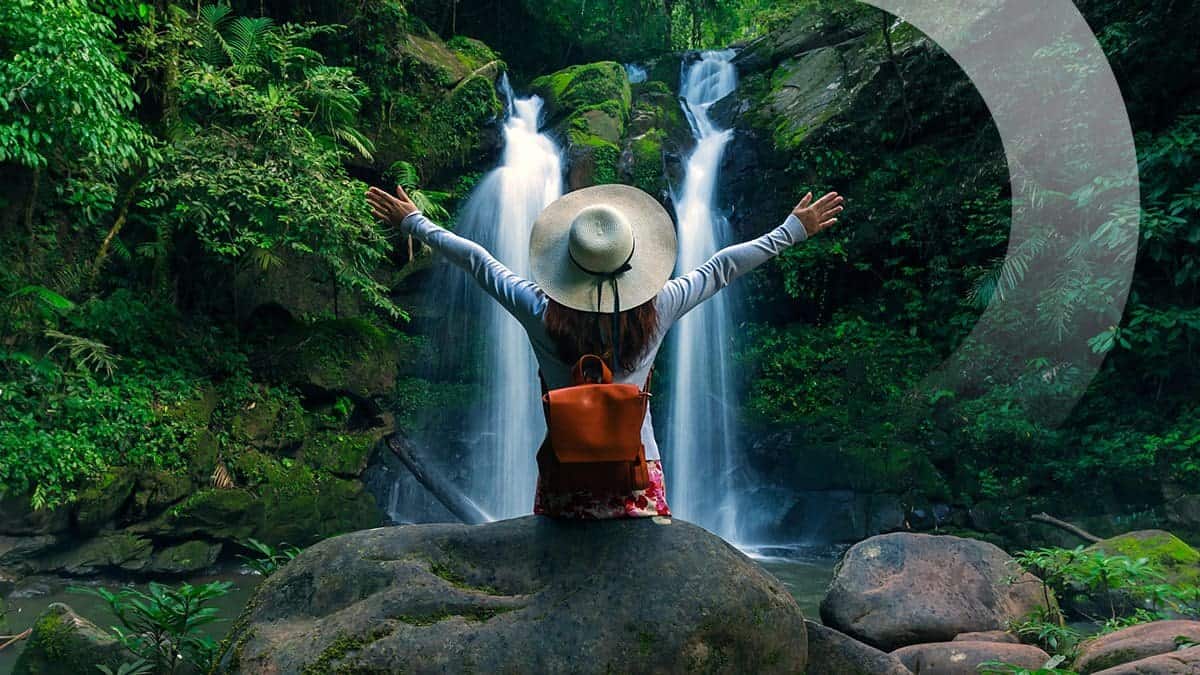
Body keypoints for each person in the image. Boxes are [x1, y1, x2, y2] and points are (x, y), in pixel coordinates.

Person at [366, 183, 843, 520]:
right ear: (633, 261)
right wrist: (791, 231)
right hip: (637, 477)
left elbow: (477, 261)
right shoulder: (660, 307)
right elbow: (720, 269)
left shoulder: (536, 308)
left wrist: (416, 222)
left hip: (565, 479)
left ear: (565, 264)